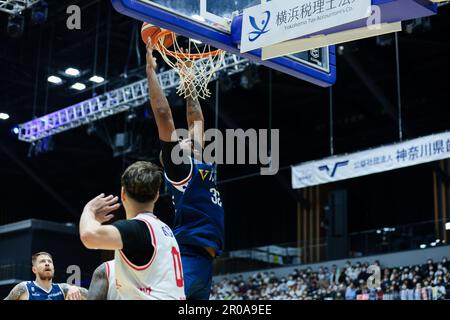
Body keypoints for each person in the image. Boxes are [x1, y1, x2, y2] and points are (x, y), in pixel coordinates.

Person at [146, 39, 224, 300]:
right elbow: (163, 114)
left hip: (201, 259)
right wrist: (150, 72)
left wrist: (188, 77)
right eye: (181, 140)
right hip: (190, 256)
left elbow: (196, 118)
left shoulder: (200, 160)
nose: (186, 136)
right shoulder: (180, 171)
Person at [79, 161, 185, 300]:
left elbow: (89, 237)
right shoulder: (164, 229)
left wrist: (89, 211)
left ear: (123, 193)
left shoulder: (138, 229)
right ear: (157, 195)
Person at [3, 251, 87, 300]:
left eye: (49, 262)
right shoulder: (24, 288)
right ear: (34, 269)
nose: (47, 264)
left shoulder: (62, 289)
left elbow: (93, 295)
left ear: (53, 267)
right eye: (42, 261)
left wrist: (74, 287)